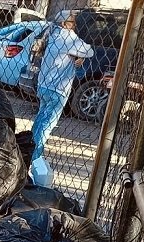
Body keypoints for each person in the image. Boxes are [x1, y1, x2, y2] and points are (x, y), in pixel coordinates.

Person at [30, 13, 95, 161]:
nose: (75, 25)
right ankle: (35, 156)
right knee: (47, 125)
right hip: (58, 89)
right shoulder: (68, 37)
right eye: (72, 22)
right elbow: (89, 50)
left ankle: (28, 147)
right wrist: (81, 56)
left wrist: (78, 56)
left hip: (43, 85)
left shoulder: (52, 35)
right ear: (64, 24)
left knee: (40, 119)